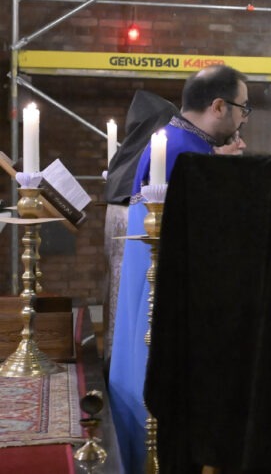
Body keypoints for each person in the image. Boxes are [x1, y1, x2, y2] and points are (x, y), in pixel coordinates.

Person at [109, 65, 250, 473]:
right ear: (219, 106)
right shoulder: (182, 150)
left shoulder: (177, 141)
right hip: (164, 295)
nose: (244, 119)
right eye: (243, 108)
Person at [103, 90, 177, 366]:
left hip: (119, 222)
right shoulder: (148, 155)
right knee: (130, 298)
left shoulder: (124, 158)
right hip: (133, 227)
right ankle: (126, 361)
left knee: (116, 296)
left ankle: (114, 357)